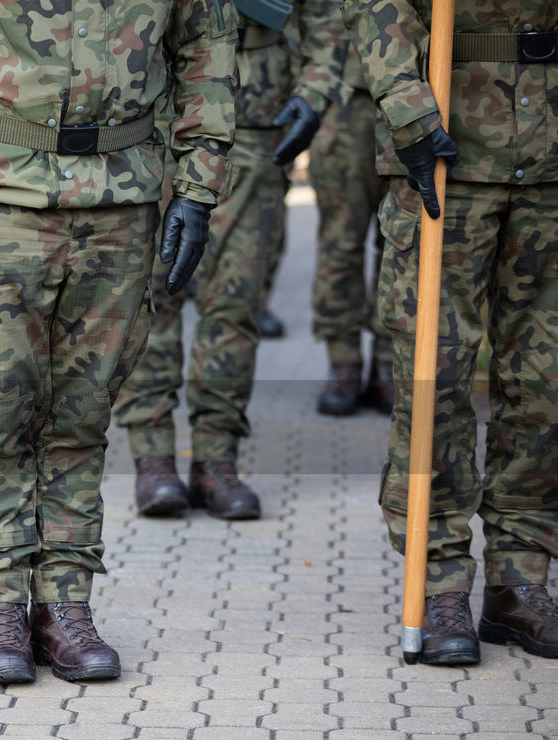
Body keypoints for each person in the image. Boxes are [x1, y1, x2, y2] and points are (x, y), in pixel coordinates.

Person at [0, 0, 237, 682]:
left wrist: (197, 186)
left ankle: (65, 603)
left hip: (121, 197)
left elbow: (208, 45)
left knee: (82, 412)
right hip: (2, 193)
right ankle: (1, 604)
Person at [343, 0, 558, 664]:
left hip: (550, 161)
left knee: (546, 385)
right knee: (438, 380)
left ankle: (520, 579)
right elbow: (377, 11)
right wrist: (409, 113)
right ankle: (439, 581)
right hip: (445, 157)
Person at [115, 0, 345, 522]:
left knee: (235, 301)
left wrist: (314, 92)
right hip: (151, 117)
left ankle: (217, 458)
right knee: (146, 300)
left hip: (252, 119)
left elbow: (329, 17)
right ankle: (153, 456)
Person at [310, 30, 394, 416]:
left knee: (400, 245)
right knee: (340, 244)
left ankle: (387, 364)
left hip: (414, 98)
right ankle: (342, 364)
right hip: (344, 101)